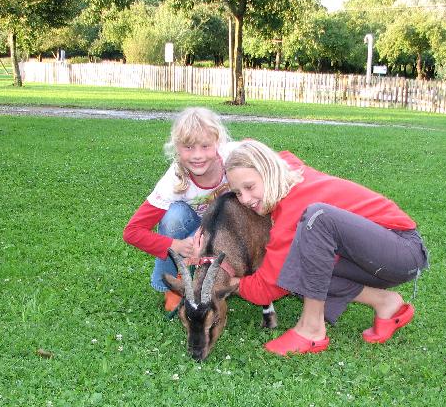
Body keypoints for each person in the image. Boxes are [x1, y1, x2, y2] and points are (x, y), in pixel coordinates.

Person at [224, 140, 428, 356]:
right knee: (297, 269)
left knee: (318, 218)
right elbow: (282, 155)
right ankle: (385, 302)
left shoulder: (293, 207)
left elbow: (265, 289)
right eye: (237, 192)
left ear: (269, 171)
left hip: (404, 251)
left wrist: (226, 282)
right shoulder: (287, 169)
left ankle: (311, 329)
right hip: (373, 259)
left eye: (249, 187)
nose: (245, 199)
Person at [123, 107, 238, 311]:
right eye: (188, 147)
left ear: (218, 142)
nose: (197, 155)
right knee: (174, 216)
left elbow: (269, 160)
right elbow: (132, 232)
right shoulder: (174, 180)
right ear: (176, 147)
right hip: (193, 232)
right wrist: (175, 245)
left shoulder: (235, 157)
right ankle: (174, 286)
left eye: (205, 146)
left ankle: (230, 278)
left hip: (227, 227)